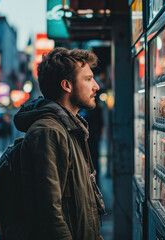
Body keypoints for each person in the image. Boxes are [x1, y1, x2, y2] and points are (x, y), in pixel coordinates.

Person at [13, 47, 104, 240]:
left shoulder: (70, 128)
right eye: (88, 79)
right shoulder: (49, 132)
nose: (96, 86)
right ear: (67, 86)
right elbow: (49, 214)